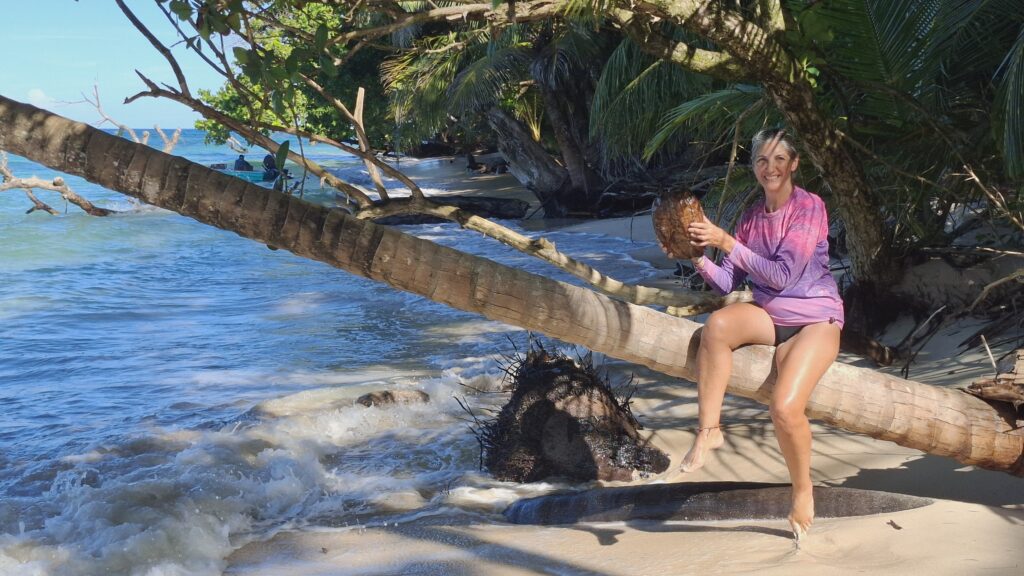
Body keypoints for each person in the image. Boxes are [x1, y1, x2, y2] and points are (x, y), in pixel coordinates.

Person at [664, 128, 844, 542]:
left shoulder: (809, 207)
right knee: (717, 325)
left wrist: (726, 240)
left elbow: (782, 275)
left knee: (784, 408)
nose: (770, 168)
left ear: (794, 163)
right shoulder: (750, 217)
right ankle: (709, 431)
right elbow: (727, 282)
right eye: (762, 160)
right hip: (770, 316)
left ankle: (803, 490)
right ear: (754, 167)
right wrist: (696, 256)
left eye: (779, 159)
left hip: (816, 319)